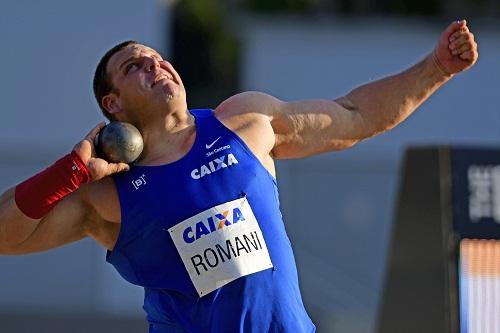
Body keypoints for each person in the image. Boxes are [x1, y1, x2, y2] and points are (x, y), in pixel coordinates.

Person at [0, 20, 477, 332]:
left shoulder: (243, 123)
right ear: (113, 104)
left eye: (157, 58)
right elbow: (6, 236)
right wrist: (72, 171)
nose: (154, 64)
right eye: (134, 67)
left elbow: (354, 117)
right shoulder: (107, 193)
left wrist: (436, 67)